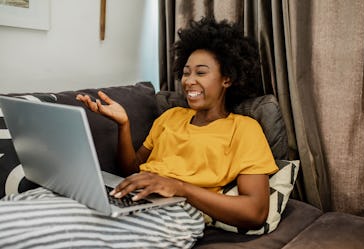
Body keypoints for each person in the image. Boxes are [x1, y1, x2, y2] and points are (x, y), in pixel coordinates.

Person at [0, 18, 278, 248]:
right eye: (186, 72)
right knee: (26, 202)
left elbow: (255, 212)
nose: (189, 81)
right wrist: (124, 125)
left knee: (29, 229)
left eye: (201, 73)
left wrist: (181, 188)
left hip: (177, 213)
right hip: (133, 196)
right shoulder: (171, 117)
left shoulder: (244, 128)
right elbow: (131, 168)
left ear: (227, 78)